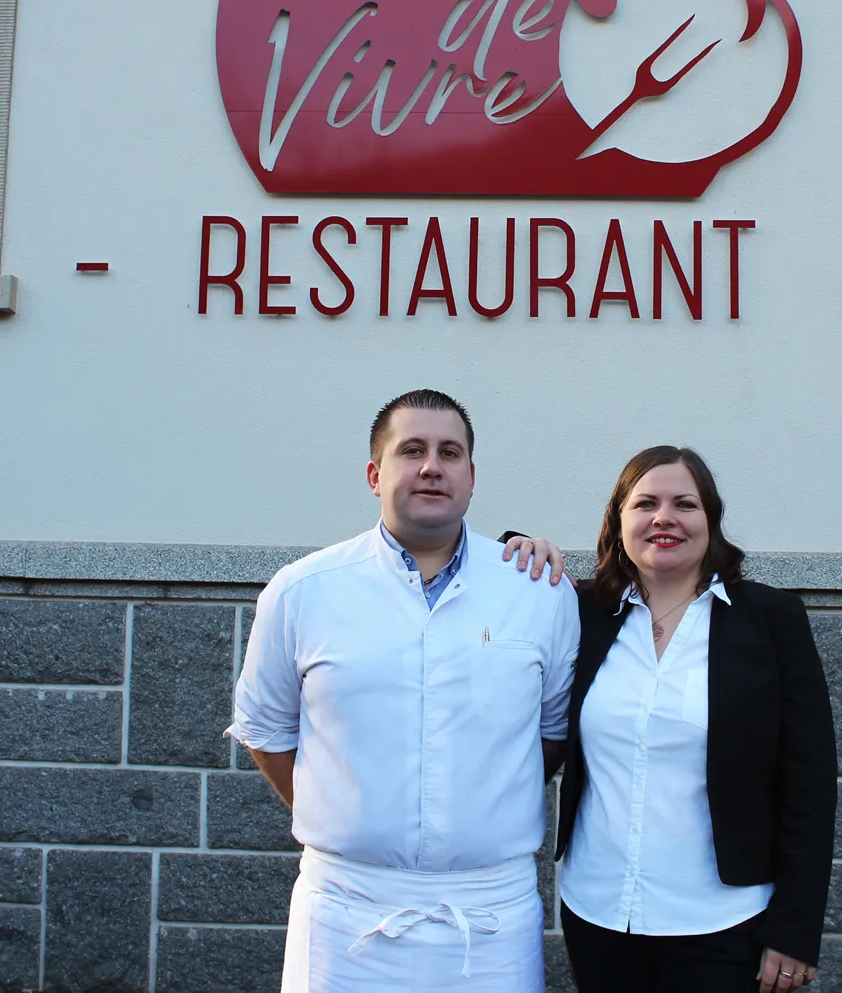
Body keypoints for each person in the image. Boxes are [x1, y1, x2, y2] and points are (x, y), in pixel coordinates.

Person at [229, 389, 579, 992]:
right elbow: (265, 730)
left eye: (449, 452)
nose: (431, 466)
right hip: (345, 916)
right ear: (374, 473)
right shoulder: (303, 591)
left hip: (489, 919)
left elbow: (551, 734)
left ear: (471, 477)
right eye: (411, 450)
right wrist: (348, 808)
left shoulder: (539, 592)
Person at [548, 446, 837, 993]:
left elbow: (810, 785)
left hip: (722, 922)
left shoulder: (770, 621)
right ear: (618, 521)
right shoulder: (581, 612)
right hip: (598, 910)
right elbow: (500, 585)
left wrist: (795, 930)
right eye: (645, 504)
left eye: (685, 503)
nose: (664, 518)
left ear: (711, 521)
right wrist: (522, 543)